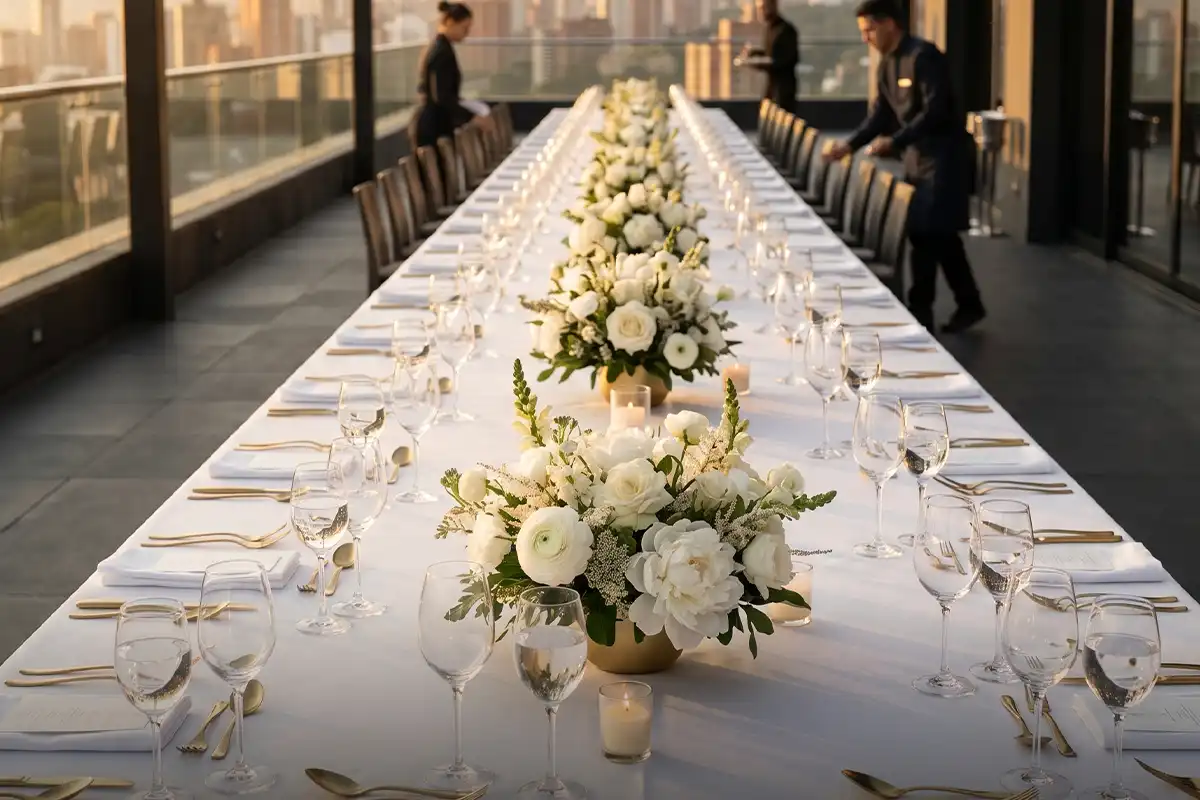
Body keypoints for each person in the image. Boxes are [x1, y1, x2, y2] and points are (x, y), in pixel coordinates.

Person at [826, 0, 986, 334]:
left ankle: (921, 311)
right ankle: (967, 303)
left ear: (889, 24)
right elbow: (880, 115)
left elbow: (936, 111)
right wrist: (849, 145)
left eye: (869, 30)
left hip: (943, 158)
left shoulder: (923, 56)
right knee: (937, 234)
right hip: (915, 159)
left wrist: (895, 141)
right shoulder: (887, 64)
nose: (866, 38)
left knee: (928, 233)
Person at [409, 2, 477, 152]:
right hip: (433, 128)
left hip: (435, 123)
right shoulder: (441, 52)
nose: (467, 33)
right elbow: (442, 96)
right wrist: (471, 116)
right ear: (451, 22)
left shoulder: (441, 47)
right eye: (464, 28)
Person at [739, 0, 800, 114]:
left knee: (780, 119)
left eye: (762, 8)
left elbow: (783, 60)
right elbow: (770, 54)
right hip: (771, 88)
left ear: (773, 6)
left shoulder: (785, 30)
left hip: (783, 91)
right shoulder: (769, 29)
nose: (760, 12)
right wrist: (753, 53)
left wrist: (757, 63)